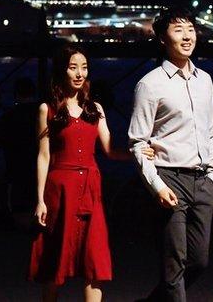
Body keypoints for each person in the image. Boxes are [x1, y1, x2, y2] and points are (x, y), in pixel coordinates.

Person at [29, 45, 151, 302]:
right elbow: (43, 155)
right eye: (73, 67)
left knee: (93, 259)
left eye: (83, 67)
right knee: (55, 259)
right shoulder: (47, 109)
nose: (79, 73)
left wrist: (138, 154)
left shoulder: (95, 108)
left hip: (90, 190)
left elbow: (109, 150)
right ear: (62, 70)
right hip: (60, 189)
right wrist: (40, 199)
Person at [128, 8, 213, 302]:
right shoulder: (150, 84)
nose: (187, 35)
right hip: (170, 177)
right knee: (174, 262)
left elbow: (211, 129)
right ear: (162, 38)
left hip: (203, 180)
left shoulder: (204, 79)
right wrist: (157, 185)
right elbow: (137, 141)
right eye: (178, 29)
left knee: (200, 261)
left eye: (190, 28)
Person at [0, 77, 39, 230]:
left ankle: (22, 222)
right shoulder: (44, 115)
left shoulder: (9, 117)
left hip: (16, 168)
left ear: (15, 94)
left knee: (19, 204)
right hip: (41, 169)